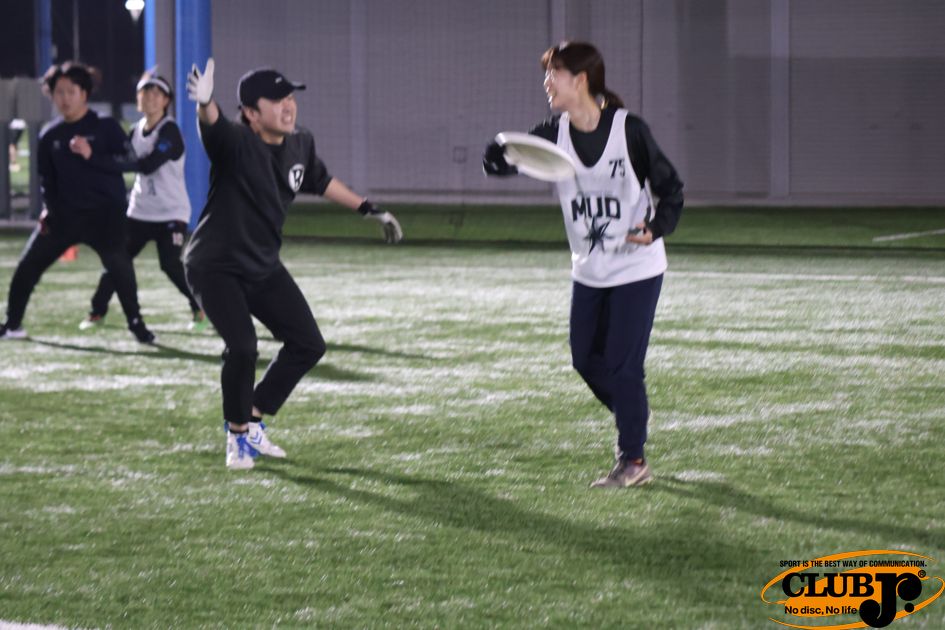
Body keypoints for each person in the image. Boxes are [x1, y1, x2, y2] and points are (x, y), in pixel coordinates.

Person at [184, 59, 403, 470]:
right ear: (251, 113)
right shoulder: (236, 142)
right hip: (215, 266)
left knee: (308, 344)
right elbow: (212, 125)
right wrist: (205, 102)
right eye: (276, 100)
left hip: (262, 264)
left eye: (290, 97)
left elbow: (320, 181)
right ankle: (237, 436)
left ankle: (253, 416)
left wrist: (369, 209)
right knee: (243, 346)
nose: (288, 106)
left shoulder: (301, 142)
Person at [483, 42, 684, 488]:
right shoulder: (552, 133)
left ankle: (633, 459)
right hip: (589, 270)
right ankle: (633, 414)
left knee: (623, 365)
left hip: (637, 268)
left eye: (554, 73)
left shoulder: (629, 130)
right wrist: (496, 152)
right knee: (584, 360)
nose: (546, 82)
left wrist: (656, 227)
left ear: (581, 80)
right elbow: (502, 163)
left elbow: (672, 189)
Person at [0, 62, 154, 343]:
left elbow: (131, 162)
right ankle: (12, 325)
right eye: (59, 92)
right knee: (27, 267)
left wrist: (92, 155)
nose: (65, 98)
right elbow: (47, 180)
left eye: (71, 91)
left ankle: (137, 324)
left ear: (84, 93)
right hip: (64, 218)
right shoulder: (49, 135)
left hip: (105, 218)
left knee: (120, 269)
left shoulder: (105, 127)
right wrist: (49, 209)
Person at [78, 71, 207, 333]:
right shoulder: (134, 131)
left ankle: (200, 307)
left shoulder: (170, 131)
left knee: (170, 264)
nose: (149, 97)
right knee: (116, 260)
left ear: (166, 101)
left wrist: (97, 159)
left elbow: (147, 165)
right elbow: (116, 158)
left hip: (171, 212)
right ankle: (97, 312)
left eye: (156, 93)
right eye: (144, 92)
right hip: (139, 211)